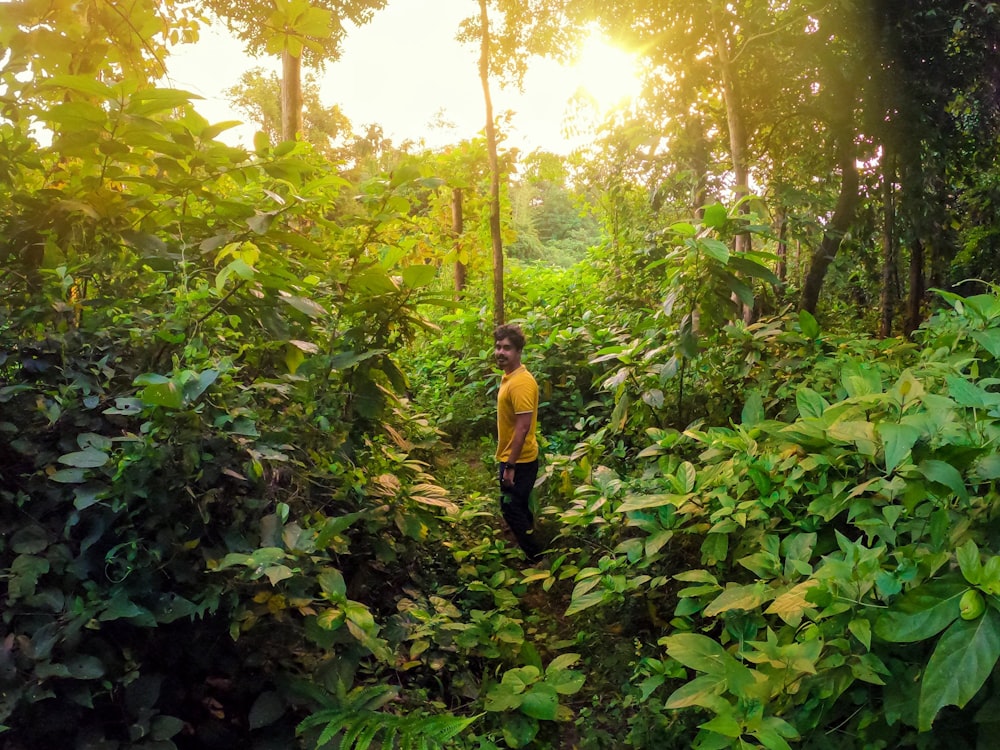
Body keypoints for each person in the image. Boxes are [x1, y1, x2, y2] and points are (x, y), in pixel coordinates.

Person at [493, 323, 542, 562]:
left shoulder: (521, 383)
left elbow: (523, 427)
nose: (501, 352)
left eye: (507, 348)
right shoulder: (510, 377)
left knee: (510, 508)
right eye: (498, 347)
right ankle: (530, 546)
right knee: (519, 506)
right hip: (514, 457)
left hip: (519, 460)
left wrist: (510, 466)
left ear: (519, 351)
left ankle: (536, 557)